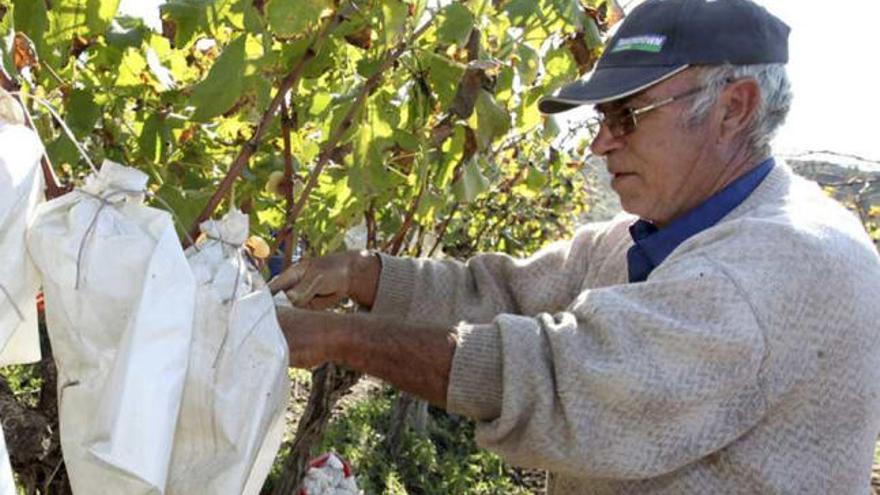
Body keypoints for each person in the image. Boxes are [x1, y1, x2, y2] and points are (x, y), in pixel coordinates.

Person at [269, 0, 880, 492]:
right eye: (601, 121)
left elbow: (567, 383)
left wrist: (335, 338)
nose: (600, 145)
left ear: (733, 109)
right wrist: (359, 273)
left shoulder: (776, 267)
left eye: (626, 117)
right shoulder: (651, 236)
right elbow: (500, 294)